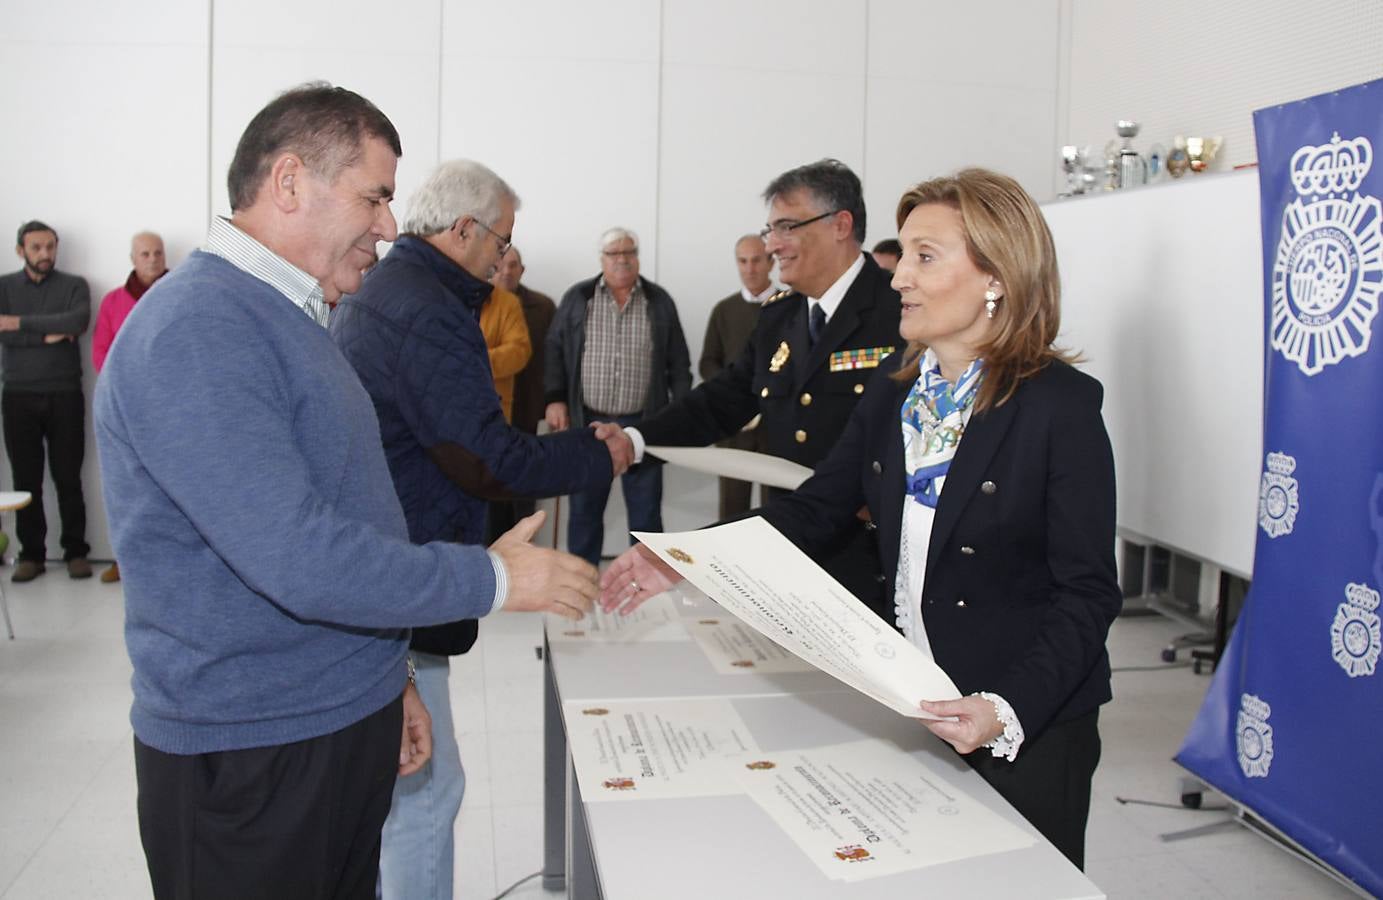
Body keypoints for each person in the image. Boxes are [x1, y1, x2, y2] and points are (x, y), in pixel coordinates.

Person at [95, 83, 596, 900]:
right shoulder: (199, 329)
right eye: (376, 196)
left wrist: (388, 677)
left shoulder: (294, 318)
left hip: (327, 723)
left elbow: (344, 512)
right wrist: (498, 579)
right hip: (255, 755)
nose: (391, 227)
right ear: (290, 182)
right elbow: (300, 557)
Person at [600, 168, 1121, 870]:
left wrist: (1004, 707)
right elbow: (816, 508)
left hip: (1024, 720)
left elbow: (1086, 593)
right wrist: (683, 557)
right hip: (916, 701)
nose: (899, 276)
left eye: (924, 257)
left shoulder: (1058, 409)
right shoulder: (899, 390)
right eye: (902, 254)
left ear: (996, 275)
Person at [330, 158, 622, 900]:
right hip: (404, 578)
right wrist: (599, 452)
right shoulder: (426, 310)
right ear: (463, 229)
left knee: (414, 787)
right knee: (425, 791)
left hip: (393, 565)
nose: (504, 257)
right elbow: (483, 457)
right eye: (501, 239)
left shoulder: (399, 292)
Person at [610, 159, 899, 609]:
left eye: (786, 226)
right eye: (769, 230)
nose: (773, 246)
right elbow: (723, 400)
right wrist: (638, 438)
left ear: (841, 225)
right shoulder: (781, 315)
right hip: (789, 548)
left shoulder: (898, 311)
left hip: (871, 557)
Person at [545, 228, 691, 564]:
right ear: (602, 259)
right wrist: (555, 398)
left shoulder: (659, 301)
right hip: (588, 422)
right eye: (614, 253)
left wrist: (680, 413)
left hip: (642, 423)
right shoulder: (579, 297)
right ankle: (581, 578)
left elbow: (679, 362)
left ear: (637, 256)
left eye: (629, 252)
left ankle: (645, 582)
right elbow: (553, 348)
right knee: (583, 508)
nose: (622, 259)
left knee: (646, 511)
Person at [0, 220, 92, 581]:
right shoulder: (4, 286)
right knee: (26, 478)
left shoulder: (74, 285)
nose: (45, 254)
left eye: (50, 247)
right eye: (36, 248)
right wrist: (47, 335)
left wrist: (17, 324)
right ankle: (32, 555)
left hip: (64, 393)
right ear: (21, 250)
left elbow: (77, 320)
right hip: (18, 394)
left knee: (68, 476)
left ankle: (75, 552)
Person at [92, 230, 169, 583]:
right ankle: (126, 561)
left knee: (171, 489)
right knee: (129, 490)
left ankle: (170, 560)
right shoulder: (112, 302)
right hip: (129, 413)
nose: (152, 259)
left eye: (157, 253)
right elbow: (101, 356)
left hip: (172, 412)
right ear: (133, 259)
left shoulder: (180, 295)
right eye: (145, 254)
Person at [699, 233, 777, 518]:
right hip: (734, 426)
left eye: (756, 260)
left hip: (777, 424)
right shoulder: (724, 310)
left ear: (771, 262)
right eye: (743, 261)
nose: (750, 268)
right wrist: (733, 395)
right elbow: (708, 362)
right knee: (732, 508)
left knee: (778, 506)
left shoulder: (792, 305)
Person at [489, 246, 556, 532]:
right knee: (492, 484)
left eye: (513, 265)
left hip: (527, 408)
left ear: (522, 270)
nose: (506, 271)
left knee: (526, 481)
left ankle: (525, 543)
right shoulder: (472, 301)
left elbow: (556, 358)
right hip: (490, 409)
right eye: (501, 265)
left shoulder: (543, 307)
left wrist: (556, 399)